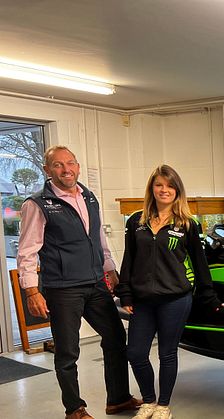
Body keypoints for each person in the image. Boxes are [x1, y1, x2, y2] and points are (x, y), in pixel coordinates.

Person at [17, 145, 142, 419]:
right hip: (62, 289)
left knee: (115, 337)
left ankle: (118, 398)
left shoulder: (89, 196)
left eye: (70, 163)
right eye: (58, 165)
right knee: (67, 351)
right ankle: (74, 409)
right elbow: (27, 250)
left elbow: (98, 238)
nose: (66, 169)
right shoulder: (37, 204)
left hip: (96, 283)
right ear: (47, 170)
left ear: (78, 165)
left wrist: (110, 269)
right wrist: (31, 291)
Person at [115, 165, 222, 419]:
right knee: (136, 353)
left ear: (177, 190)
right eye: (159, 185)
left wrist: (209, 296)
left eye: (170, 186)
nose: (164, 190)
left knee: (167, 353)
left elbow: (200, 263)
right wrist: (126, 293)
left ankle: (163, 405)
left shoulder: (187, 223)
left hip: (175, 299)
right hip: (142, 300)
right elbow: (128, 260)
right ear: (152, 188)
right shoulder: (136, 222)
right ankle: (148, 401)